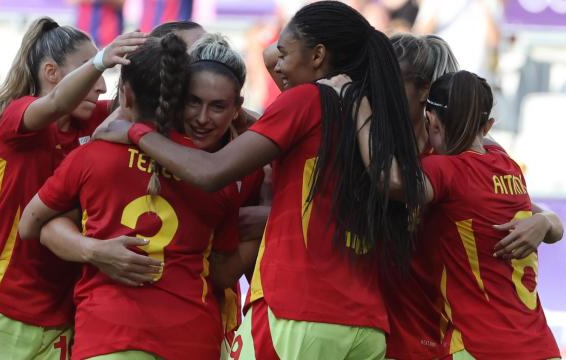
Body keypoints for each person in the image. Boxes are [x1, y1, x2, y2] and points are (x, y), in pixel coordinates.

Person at [96, 2, 425, 358]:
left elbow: (209, 172)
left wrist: (135, 132)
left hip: (298, 314)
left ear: (318, 55)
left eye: (285, 52)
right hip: (365, 326)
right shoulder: (366, 108)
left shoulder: (307, 100)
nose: (276, 63)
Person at [19, 32, 247, 360]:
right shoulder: (221, 177)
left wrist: (93, 250)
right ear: (182, 97)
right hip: (191, 339)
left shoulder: (91, 157)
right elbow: (223, 270)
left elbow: (31, 225)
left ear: (125, 95)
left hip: (109, 335)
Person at [0, 17, 144, 360]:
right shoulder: (17, 119)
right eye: (88, 73)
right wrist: (100, 61)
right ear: (51, 73)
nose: (100, 88)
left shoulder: (90, 119)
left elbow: (148, 108)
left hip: (63, 313)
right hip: (1, 302)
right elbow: (55, 104)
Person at [377, 33, 565, 359]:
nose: (381, 93)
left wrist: (544, 222)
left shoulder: (454, 162)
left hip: (462, 337)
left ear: (425, 96)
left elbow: (392, 183)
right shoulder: (405, 151)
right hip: (406, 327)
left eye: (390, 82)